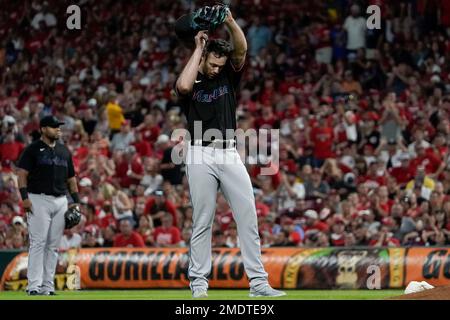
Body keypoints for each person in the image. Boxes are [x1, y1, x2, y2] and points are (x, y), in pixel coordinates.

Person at [175, 8, 285, 298]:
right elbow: (183, 85)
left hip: (228, 153)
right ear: (204, 58)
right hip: (199, 153)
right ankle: (199, 285)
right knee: (203, 220)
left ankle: (258, 283)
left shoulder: (227, 76)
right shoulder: (194, 75)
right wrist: (199, 48)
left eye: (219, 64)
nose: (216, 68)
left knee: (248, 216)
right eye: (212, 63)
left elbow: (241, 50)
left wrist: (230, 21)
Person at [16, 115, 80, 296]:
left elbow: (71, 179)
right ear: (43, 129)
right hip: (38, 199)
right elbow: (21, 175)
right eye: (54, 127)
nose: (58, 129)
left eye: (58, 126)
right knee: (38, 243)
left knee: (53, 245)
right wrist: (24, 197)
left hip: (60, 200)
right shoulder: (33, 149)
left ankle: (47, 286)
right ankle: (33, 285)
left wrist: (76, 202)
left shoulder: (64, 151)